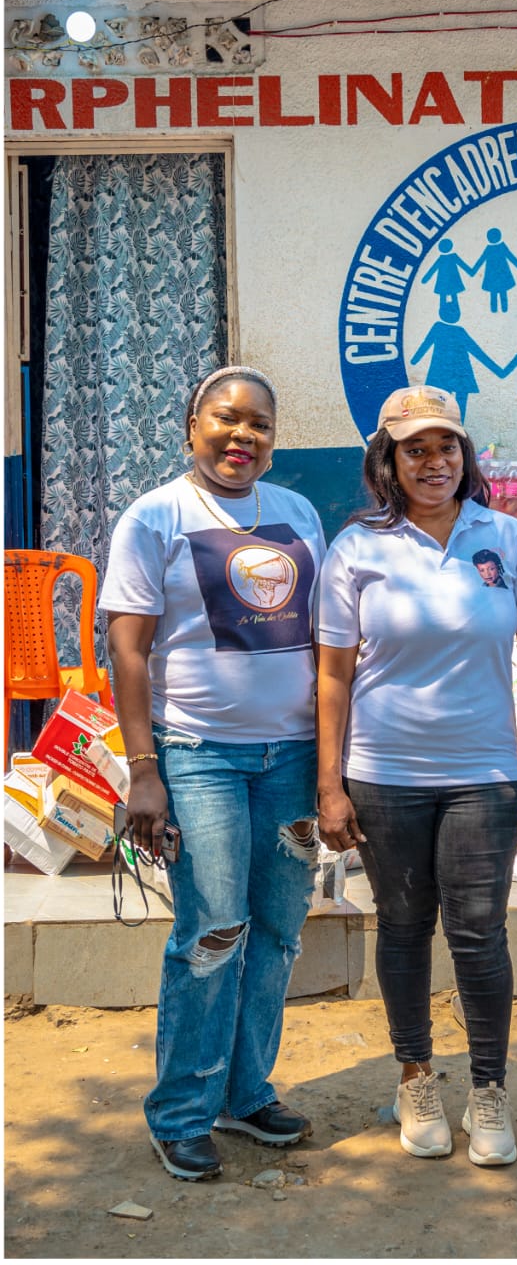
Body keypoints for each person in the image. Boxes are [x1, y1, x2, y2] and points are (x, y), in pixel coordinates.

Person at [315, 384, 517, 1167]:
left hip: (483, 775)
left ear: (465, 453)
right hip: (383, 775)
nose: (433, 462)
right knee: (401, 926)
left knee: (479, 933)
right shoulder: (357, 548)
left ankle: (488, 1090)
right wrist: (330, 784)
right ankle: (415, 1077)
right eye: (414, 449)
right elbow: (332, 674)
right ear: (387, 462)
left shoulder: (507, 539)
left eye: (445, 446)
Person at [100, 365, 326, 1182]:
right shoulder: (154, 516)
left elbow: (325, 640)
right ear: (192, 426)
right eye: (226, 419)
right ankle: (182, 1112)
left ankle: (244, 1091)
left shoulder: (298, 513)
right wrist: (143, 769)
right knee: (212, 932)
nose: (242, 436)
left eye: (259, 423)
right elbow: (128, 648)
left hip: (291, 758)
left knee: (278, 931)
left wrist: (333, 765)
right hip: (198, 755)